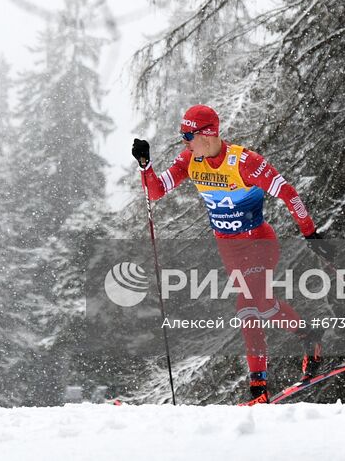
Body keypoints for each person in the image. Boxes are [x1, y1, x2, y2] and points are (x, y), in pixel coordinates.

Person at [132, 104, 328, 404]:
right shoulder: (190, 160)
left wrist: (311, 233)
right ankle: (260, 390)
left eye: (188, 135)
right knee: (247, 312)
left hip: (259, 244)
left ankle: (308, 338)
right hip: (231, 252)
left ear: (208, 134)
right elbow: (156, 191)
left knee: (257, 303)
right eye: (183, 136)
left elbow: (288, 192)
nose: (185, 142)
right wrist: (145, 165)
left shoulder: (244, 162)